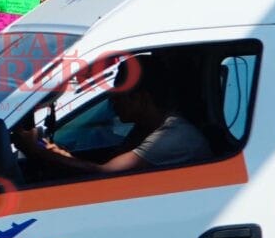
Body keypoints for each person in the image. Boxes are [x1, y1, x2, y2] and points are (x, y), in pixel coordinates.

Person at [28, 59, 212, 175]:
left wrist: (37, 151)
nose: (113, 104)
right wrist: (58, 154)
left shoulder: (173, 136)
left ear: (141, 98)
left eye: (118, 97)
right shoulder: (145, 127)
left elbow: (106, 172)